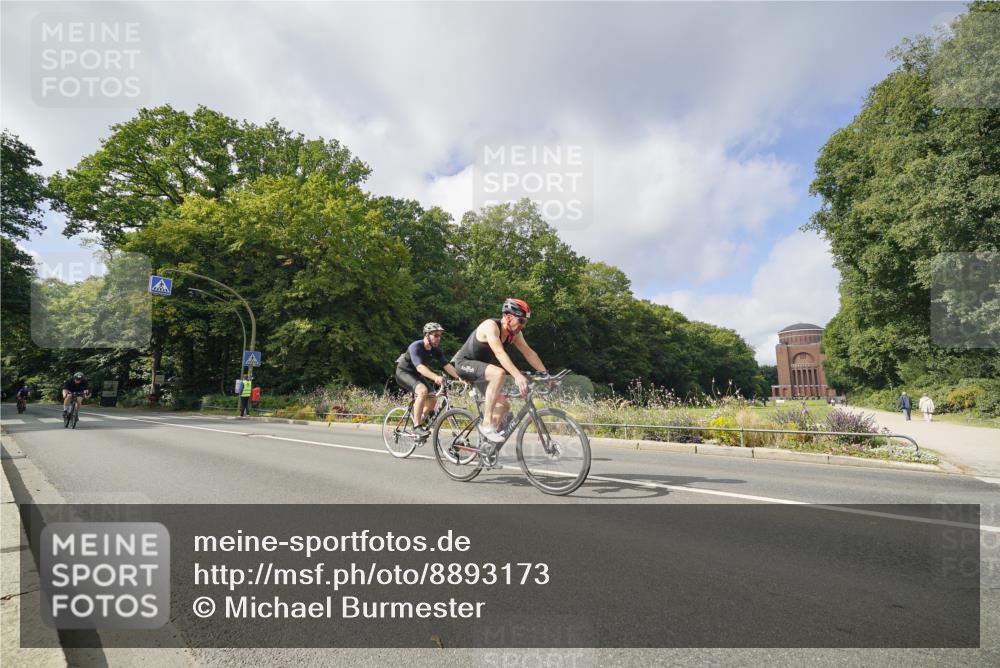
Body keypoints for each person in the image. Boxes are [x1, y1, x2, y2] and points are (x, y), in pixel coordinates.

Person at [452, 298, 548, 448]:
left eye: (525, 322)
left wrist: (545, 374)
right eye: (521, 321)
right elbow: (499, 353)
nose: (523, 326)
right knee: (499, 373)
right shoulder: (490, 326)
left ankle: (487, 448)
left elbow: (529, 353)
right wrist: (517, 376)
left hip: (483, 371)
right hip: (464, 364)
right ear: (509, 317)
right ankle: (487, 423)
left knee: (504, 405)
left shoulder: (515, 334)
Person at [395, 322, 460, 437]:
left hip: (416, 375)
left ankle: (419, 419)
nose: (438, 338)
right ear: (427, 335)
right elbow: (419, 367)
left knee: (433, 399)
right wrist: (435, 377)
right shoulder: (415, 346)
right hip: (404, 373)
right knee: (422, 391)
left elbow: (446, 365)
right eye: (435, 335)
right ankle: (416, 427)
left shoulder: (435, 350)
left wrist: (460, 377)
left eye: (440, 335)